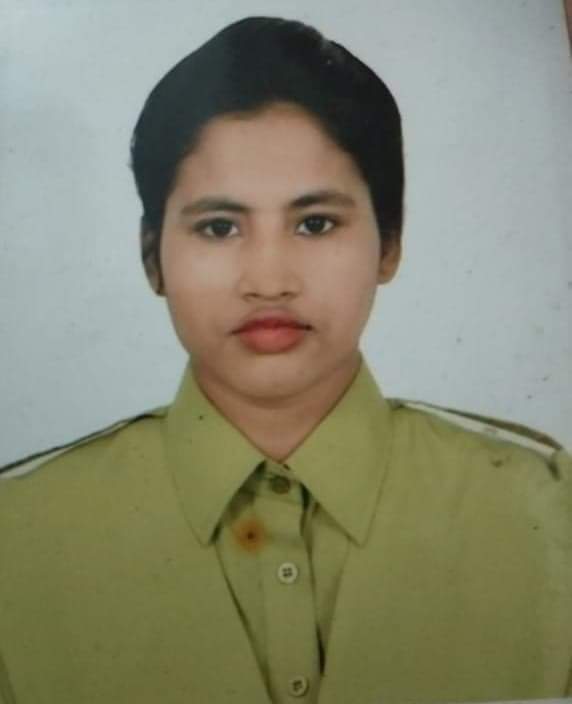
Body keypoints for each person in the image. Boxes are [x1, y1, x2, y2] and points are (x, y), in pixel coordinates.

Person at [0, 16, 570, 704]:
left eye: (315, 223)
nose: (268, 280)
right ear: (153, 257)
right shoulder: (15, 533)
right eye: (219, 227)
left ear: (389, 243)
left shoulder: (548, 505)